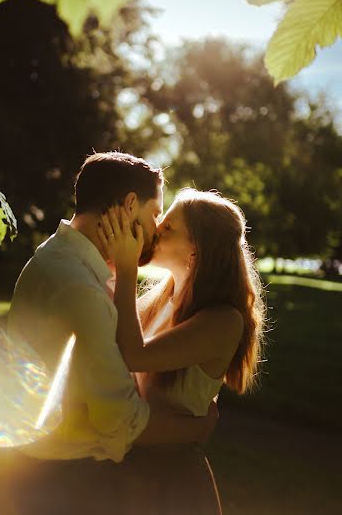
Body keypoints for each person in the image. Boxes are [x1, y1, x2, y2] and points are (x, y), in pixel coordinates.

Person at [3, 153, 219, 514]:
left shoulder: (54, 256)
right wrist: (196, 429)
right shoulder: (80, 289)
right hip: (70, 484)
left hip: (45, 473)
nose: (155, 229)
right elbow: (121, 423)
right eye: (154, 215)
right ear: (130, 204)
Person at [97, 187, 267, 514]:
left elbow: (135, 355)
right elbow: (114, 327)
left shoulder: (223, 321)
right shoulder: (164, 297)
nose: (156, 229)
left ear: (196, 251)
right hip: (134, 465)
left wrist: (128, 265)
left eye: (169, 228)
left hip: (171, 481)